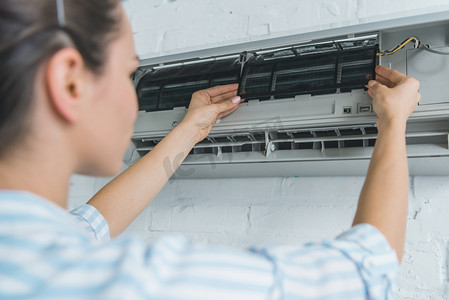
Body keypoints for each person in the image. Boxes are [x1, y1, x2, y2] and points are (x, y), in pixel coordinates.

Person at [0, 0, 421, 299]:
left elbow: (88, 226)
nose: (134, 100)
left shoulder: (23, 252)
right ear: (69, 82)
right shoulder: (119, 282)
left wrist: (189, 130)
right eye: (130, 74)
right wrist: (393, 121)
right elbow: (364, 271)